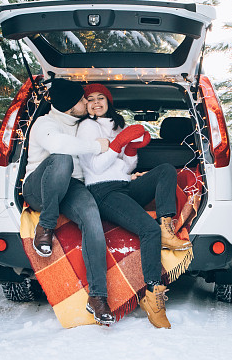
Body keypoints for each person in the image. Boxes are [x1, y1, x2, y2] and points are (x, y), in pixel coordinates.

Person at [76, 83, 190, 329]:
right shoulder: (86, 127)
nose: (96, 102)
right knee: (148, 230)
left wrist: (129, 148)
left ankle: (166, 227)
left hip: (124, 185)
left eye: (101, 98)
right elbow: (95, 168)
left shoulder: (117, 126)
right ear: (86, 105)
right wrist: (118, 143)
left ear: (108, 101)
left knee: (165, 170)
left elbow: (126, 167)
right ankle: (152, 295)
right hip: (102, 191)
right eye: (91, 99)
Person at [21, 78, 115, 326]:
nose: (88, 101)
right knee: (63, 158)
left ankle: (97, 297)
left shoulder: (83, 125)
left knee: (91, 217)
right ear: (71, 104)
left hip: (69, 188)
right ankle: (46, 226)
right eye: (83, 99)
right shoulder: (46, 123)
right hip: (38, 188)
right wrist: (96, 146)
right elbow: (58, 145)